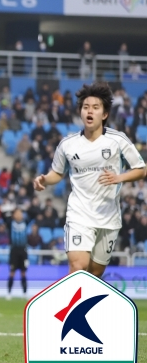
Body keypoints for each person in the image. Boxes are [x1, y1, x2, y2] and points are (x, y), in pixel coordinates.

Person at [33, 82, 146, 277]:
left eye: (95, 107)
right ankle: (71, 307)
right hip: (79, 214)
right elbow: (57, 173)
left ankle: (86, 306)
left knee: (95, 274)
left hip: (108, 217)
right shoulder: (68, 144)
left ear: (104, 114)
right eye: (86, 107)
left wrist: (119, 177)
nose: (89, 111)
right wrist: (44, 179)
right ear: (80, 112)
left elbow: (141, 169)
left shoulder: (117, 140)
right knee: (78, 267)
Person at [5, 210, 29, 300]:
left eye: (20, 213)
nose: (19, 215)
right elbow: (4, 217)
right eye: (17, 213)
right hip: (14, 250)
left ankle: (25, 292)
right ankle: (9, 292)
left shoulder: (26, 222)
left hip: (23, 250)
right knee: (12, 272)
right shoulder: (10, 223)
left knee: (23, 272)